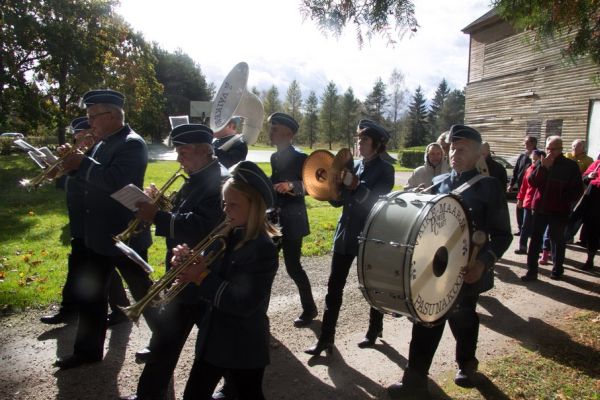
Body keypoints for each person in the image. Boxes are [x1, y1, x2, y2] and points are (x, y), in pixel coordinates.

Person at [388, 124, 512, 398]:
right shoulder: (439, 183)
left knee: (463, 319)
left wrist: (483, 263)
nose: (454, 154)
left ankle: (467, 364)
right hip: (437, 268)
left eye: (462, 149)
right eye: (453, 148)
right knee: (426, 321)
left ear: (479, 154)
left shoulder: (489, 187)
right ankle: (414, 381)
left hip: (468, 270)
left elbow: (503, 236)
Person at [120, 124, 227, 400]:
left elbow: (203, 225)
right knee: (166, 340)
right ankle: (148, 394)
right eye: (177, 151)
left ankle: (237, 387)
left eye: (183, 152)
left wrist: (157, 216)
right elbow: (183, 211)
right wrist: (159, 204)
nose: (178, 158)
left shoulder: (220, 181)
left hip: (202, 275)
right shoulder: (196, 175)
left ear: (205, 151)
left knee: (219, 341)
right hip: (183, 272)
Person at [55, 89, 158, 369]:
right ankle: (87, 351)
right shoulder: (102, 141)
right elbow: (88, 178)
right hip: (98, 234)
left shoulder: (131, 143)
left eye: (93, 116)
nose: (89, 123)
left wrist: (82, 163)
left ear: (111, 115)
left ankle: (164, 341)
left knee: (144, 293)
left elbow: (116, 181)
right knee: (92, 295)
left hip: (125, 235)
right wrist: (71, 165)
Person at [174, 161, 279, 400]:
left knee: (249, 394)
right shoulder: (226, 232)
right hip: (214, 338)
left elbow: (243, 303)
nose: (225, 210)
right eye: (224, 203)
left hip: (243, 344)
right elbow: (205, 265)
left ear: (254, 207)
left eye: (233, 205)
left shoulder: (262, 248)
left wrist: (201, 276)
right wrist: (187, 261)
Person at [304, 119, 395, 355]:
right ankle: (326, 339)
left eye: (365, 139)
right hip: (344, 234)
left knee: (372, 284)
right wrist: (330, 188)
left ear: (377, 144)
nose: (359, 143)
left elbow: (376, 203)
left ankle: (374, 329)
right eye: (358, 139)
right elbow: (339, 201)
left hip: (369, 236)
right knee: (334, 287)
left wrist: (355, 186)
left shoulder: (386, 170)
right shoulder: (354, 165)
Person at [40, 117, 130, 326]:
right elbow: (64, 181)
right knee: (88, 266)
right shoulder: (77, 157)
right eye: (76, 136)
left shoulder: (99, 156)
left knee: (93, 267)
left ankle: (72, 309)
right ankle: (115, 307)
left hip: (96, 221)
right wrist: (54, 168)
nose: (79, 140)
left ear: (93, 135)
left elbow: (106, 184)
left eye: (82, 136)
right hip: (79, 220)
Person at [268, 112, 317, 327]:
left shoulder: (301, 158)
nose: (270, 132)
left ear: (288, 134)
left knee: (293, 267)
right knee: (266, 264)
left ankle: (310, 309)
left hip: (293, 220)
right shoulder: (274, 157)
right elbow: (274, 180)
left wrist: (291, 186)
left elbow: (314, 187)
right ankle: (258, 312)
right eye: (271, 128)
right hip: (273, 219)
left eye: (275, 129)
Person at [521, 136, 583, 282]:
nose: (549, 152)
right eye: (547, 148)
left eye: (553, 149)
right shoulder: (542, 162)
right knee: (535, 240)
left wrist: (563, 200)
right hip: (540, 208)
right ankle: (531, 271)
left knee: (557, 240)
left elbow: (577, 190)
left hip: (559, 211)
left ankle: (557, 270)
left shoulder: (570, 166)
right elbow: (532, 182)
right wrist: (543, 167)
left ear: (560, 149)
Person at [514, 150, 546, 254]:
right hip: (528, 202)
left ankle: (540, 247)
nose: (534, 161)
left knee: (538, 227)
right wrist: (520, 199)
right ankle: (522, 247)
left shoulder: (545, 170)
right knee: (525, 226)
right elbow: (523, 186)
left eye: (536, 159)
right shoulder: (529, 169)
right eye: (533, 159)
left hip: (540, 203)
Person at [564, 139, 594, 243]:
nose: (574, 148)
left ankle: (568, 236)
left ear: (583, 148)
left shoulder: (588, 160)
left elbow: (588, 176)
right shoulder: (567, 156)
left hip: (578, 191)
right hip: (564, 189)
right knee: (564, 212)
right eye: (573, 146)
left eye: (577, 146)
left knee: (574, 214)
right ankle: (564, 235)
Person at [509, 135, 538, 235]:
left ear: (533, 143)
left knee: (529, 208)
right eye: (524, 142)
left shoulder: (537, 156)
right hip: (521, 186)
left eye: (527, 142)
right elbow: (516, 170)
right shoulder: (522, 156)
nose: (525, 144)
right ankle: (520, 228)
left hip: (531, 188)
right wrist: (511, 184)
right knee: (519, 207)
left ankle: (528, 229)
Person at [580, 156, 600, 270]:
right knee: (592, 234)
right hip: (593, 206)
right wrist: (589, 176)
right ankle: (590, 260)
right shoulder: (597, 164)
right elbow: (584, 177)